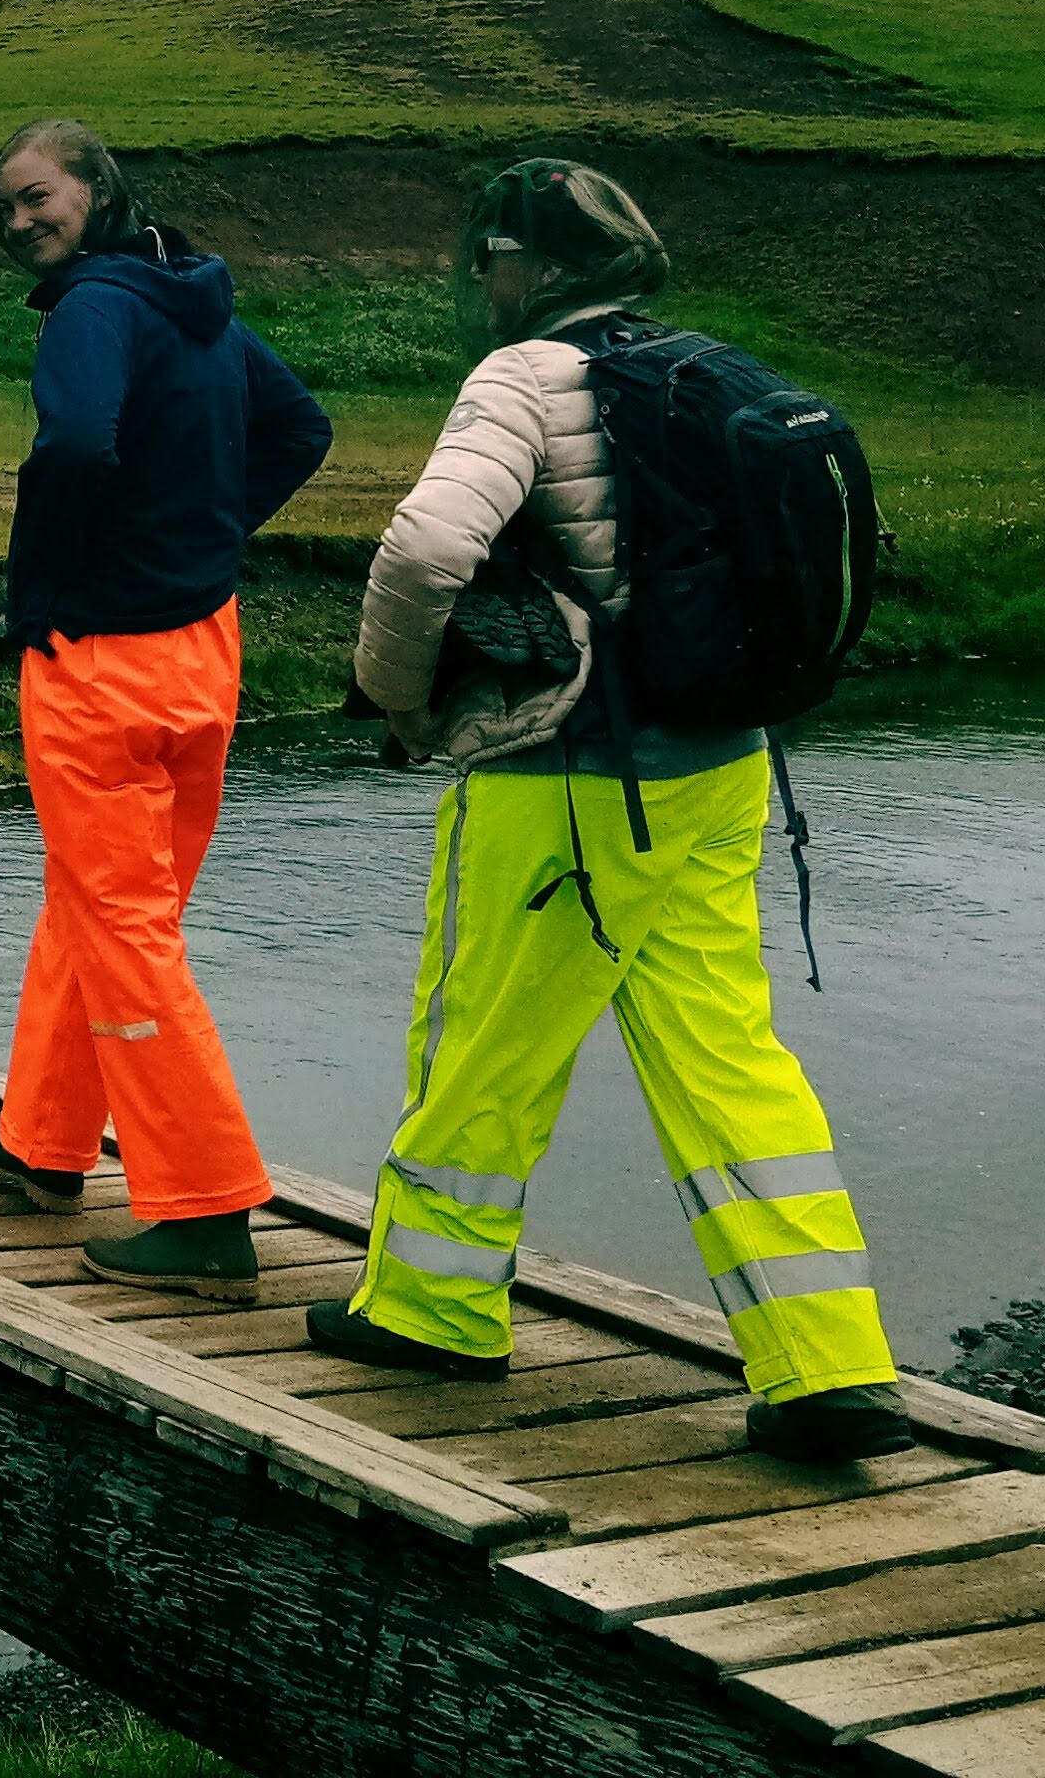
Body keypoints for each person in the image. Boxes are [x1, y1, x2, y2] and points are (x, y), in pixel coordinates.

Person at [322, 158, 914, 1465]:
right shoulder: (711, 370)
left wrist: (397, 700)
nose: (479, 280)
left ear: (525, 267)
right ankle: (826, 1367)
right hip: (723, 770)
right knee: (728, 1058)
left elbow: (424, 551)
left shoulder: (524, 379)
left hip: (567, 780)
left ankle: (430, 1309)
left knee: (480, 1039)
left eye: (488, 259)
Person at [0, 122, 332, 1298]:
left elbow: (74, 441)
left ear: (94, 190)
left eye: (37, 196)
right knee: (109, 903)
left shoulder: (91, 310)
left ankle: (204, 1204)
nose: (22, 220)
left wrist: (57, 582)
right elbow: (299, 428)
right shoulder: (196, 304)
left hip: (101, 660)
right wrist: (206, 537)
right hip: (201, 649)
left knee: (122, 926)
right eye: (8, 207)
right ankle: (42, 1141)